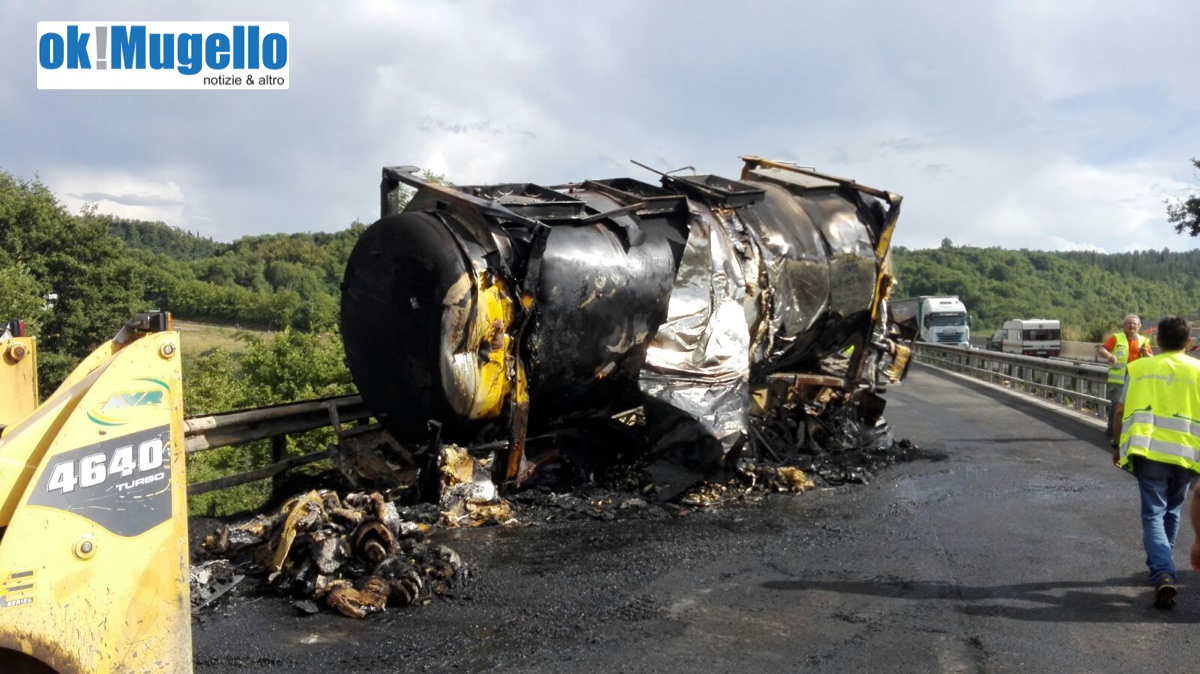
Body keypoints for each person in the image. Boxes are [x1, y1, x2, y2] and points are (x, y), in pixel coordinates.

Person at [1112, 316, 1200, 609]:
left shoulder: (1139, 368)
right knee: (1172, 511)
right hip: (1187, 454)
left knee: (1153, 514)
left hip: (1148, 451)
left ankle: (1163, 570)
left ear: (1158, 340)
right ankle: (1164, 565)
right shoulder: (1199, 370)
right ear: (1189, 342)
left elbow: (1120, 408)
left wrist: (1116, 444)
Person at [1097, 314, 1153, 438]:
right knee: (1117, 404)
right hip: (1118, 379)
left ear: (1139, 327)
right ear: (1124, 325)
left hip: (1136, 379)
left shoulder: (1144, 341)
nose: (1131, 325)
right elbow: (1102, 349)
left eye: (1134, 323)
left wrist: (1145, 353)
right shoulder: (1116, 338)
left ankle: (1129, 429)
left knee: (1134, 405)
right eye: (1129, 323)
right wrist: (1109, 356)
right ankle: (1112, 428)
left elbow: (1151, 359)